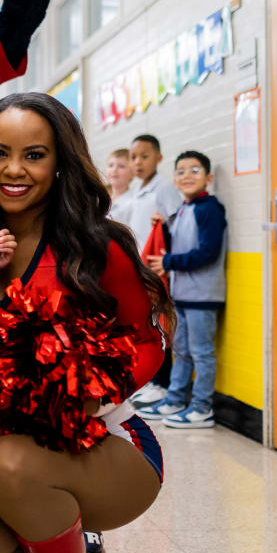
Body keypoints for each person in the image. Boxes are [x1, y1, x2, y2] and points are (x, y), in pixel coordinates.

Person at [0, 92, 169, 553]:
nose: (14, 170)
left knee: (13, 459)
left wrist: (94, 394)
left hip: (111, 444)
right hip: (21, 452)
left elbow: (150, 342)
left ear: (61, 160)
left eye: (34, 155)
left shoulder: (98, 245)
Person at [140, 151, 227, 429]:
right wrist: (162, 226)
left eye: (195, 170)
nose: (186, 176)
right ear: (174, 180)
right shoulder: (181, 210)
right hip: (182, 293)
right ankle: (175, 399)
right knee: (182, 350)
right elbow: (176, 243)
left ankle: (202, 408)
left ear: (209, 178)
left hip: (202, 295)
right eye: (180, 171)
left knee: (201, 352)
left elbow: (207, 252)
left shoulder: (210, 209)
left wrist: (168, 262)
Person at [124, 134, 180, 409]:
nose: (138, 162)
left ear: (159, 158)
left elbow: (177, 222)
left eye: (144, 156)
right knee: (146, 323)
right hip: (139, 265)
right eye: (134, 157)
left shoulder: (164, 188)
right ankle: (151, 381)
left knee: (162, 324)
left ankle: (163, 383)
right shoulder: (137, 189)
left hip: (157, 267)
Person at [105, 148, 132, 226]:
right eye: (111, 165)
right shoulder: (101, 199)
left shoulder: (133, 202)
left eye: (121, 166)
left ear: (132, 173)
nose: (114, 170)